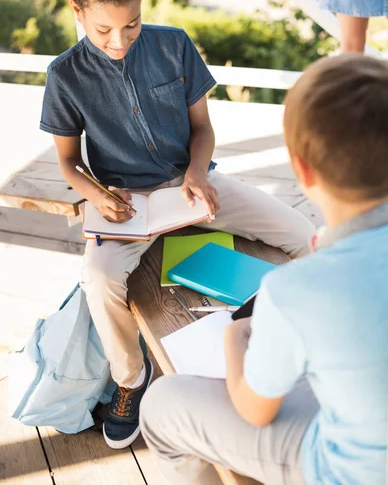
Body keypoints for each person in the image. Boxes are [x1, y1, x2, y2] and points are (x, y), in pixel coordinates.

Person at [39, 0, 314, 450]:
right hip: (125, 205)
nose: (119, 40)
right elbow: (67, 162)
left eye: (132, 24)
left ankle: (309, 332)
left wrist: (195, 173)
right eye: (103, 30)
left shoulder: (174, 44)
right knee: (97, 279)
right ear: (77, 10)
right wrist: (97, 196)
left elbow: (202, 129)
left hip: (191, 186)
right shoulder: (65, 76)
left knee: (302, 234)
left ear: (143, 4)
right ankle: (130, 379)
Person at [140, 54, 388, 485]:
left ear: (303, 170)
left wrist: (237, 338)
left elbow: (255, 410)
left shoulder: (296, 289)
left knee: (161, 405)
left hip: (353, 471)